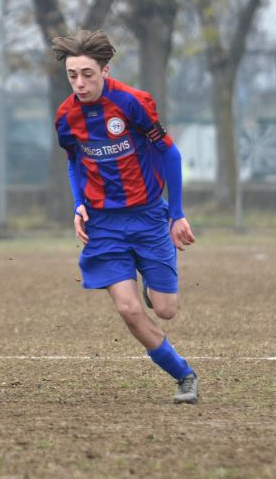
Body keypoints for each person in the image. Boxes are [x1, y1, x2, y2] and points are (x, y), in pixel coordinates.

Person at [51, 30, 199, 404]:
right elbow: (74, 162)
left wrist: (176, 214)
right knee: (129, 310)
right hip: (103, 225)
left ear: (105, 70)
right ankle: (183, 375)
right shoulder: (66, 116)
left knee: (165, 310)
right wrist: (78, 204)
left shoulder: (133, 103)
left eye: (87, 74)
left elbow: (170, 155)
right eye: (72, 75)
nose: (79, 83)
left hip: (149, 217)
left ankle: (152, 284)